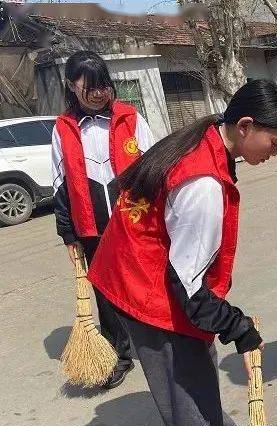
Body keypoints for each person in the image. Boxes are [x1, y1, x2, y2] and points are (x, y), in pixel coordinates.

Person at [86, 79, 277, 426]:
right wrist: (234, 324)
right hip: (143, 285)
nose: (274, 153)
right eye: (273, 142)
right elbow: (188, 287)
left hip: (140, 265)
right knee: (182, 379)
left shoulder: (206, 136)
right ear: (245, 126)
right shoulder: (202, 183)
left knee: (197, 359)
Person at [52, 50, 154, 389]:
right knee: (107, 295)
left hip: (135, 223)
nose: (98, 93)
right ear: (71, 86)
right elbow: (60, 185)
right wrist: (69, 235)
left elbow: (154, 167)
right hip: (92, 227)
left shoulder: (130, 118)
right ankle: (119, 353)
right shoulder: (63, 130)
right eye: (89, 87)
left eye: (103, 85)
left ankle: (156, 342)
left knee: (145, 282)